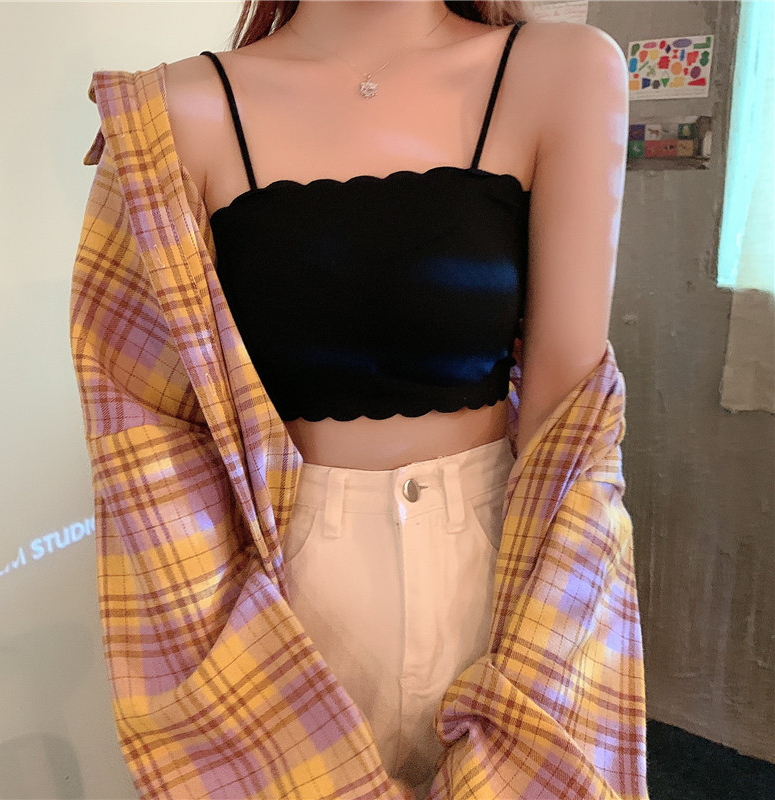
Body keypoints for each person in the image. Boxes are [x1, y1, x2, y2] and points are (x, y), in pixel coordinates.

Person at [70, 1, 647, 798]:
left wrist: (546, 647)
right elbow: (146, 429)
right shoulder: (170, 113)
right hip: (284, 598)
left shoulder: (563, 71)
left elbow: (572, 435)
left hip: (503, 574)